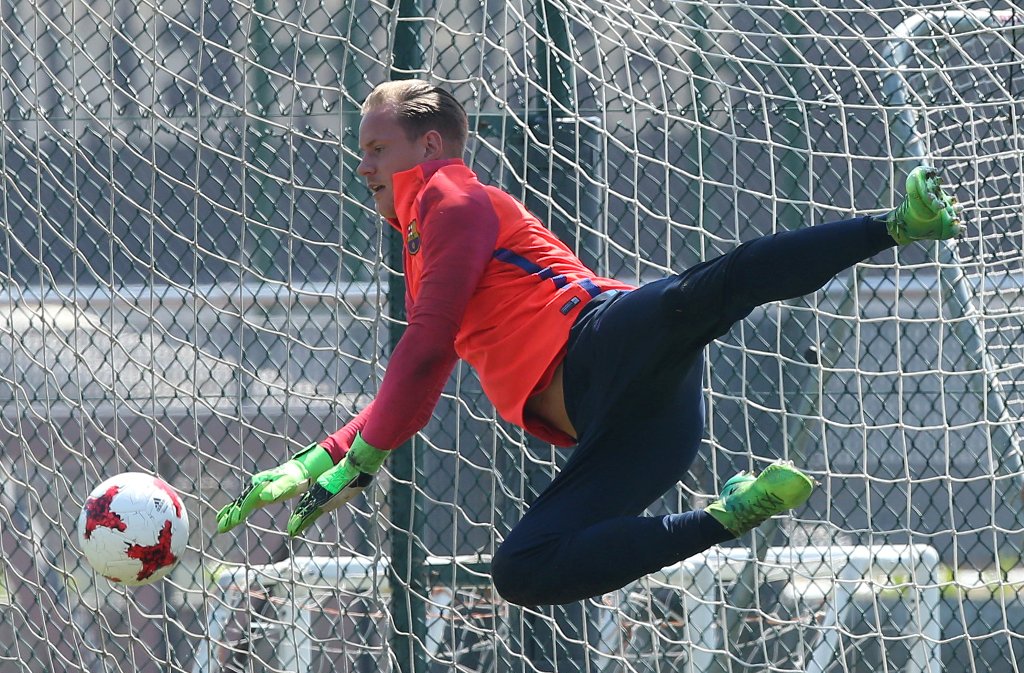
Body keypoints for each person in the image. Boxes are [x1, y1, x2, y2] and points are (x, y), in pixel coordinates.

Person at [216, 79, 962, 607]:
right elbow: (423, 365)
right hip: (630, 431)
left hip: (601, 338)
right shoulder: (418, 234)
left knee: (714, 287)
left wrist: (359, 458)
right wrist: (326, 454)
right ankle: (729, 515)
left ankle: (894, 225)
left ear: (430, 144)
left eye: (376, 147)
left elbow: (427, 348)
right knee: (521, 570)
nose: (363, 166)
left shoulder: (452, 195)